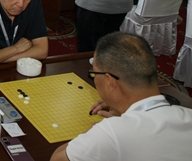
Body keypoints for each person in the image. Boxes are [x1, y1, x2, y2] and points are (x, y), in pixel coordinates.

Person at [50, 32, 192, 161]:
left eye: (94, 74)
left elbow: (57, 159)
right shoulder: (188, 115)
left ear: (110, 81)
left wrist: (94, 131)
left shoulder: (111, 133)